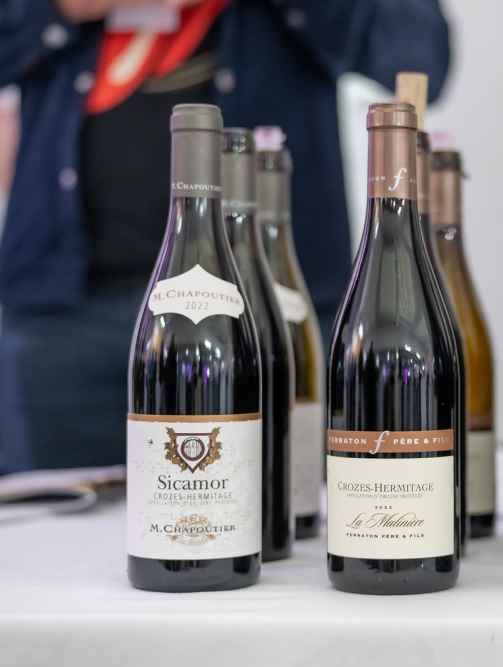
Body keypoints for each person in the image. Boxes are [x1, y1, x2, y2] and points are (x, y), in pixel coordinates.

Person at [0, 0, 451, 474]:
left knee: (281, 506)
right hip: (62, 317)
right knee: (49, 510)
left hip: (271, 310)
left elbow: (421, 57)